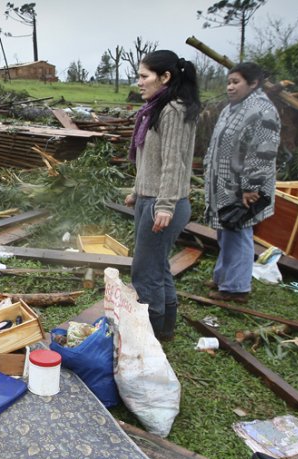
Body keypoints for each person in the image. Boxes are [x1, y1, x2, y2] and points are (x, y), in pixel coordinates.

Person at [124, 50, 201, 341]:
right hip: (151, 199)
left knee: (145, 271)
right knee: (157, 267)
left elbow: (173, 162)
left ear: (165, 77)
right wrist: (137, 192)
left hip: (163, 203)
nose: (139, 82)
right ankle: (165, 329)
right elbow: (151, 161)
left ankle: (151, 334)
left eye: (144, 76)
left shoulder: (173, 110)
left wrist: (165, 205)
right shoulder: (157, 108)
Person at [204, 62, 281, 303]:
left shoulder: (262, 111)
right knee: (226, 232)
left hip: (243, 189)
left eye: (236, 82)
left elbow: (263, 152)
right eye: (228, 82)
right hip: (225, 186)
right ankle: (223, 276)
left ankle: (237, 288)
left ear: (253, 83)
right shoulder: (234, 108)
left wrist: (251, 187)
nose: (230, 87)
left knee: (238, 233)